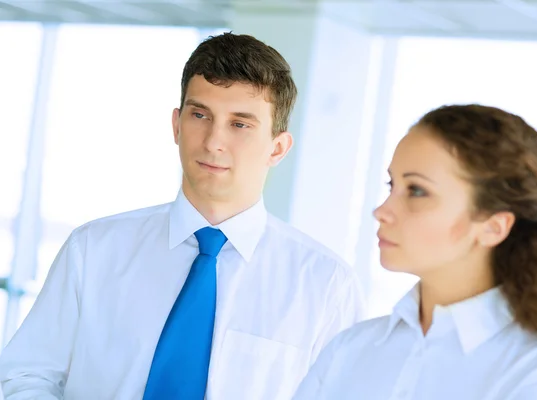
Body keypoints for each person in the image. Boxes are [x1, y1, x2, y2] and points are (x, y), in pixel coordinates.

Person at [0, 32, 365, 400]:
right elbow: (26, 376)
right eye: (200, 115)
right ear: (176, 125)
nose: (212, 141)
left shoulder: (326, 285)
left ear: (278, 148)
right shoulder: (92, 250)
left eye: (240, 124)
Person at [293, 104, 537, 400]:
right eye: (392, 185)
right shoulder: (349, 349)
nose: (382, 211)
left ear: (494, 226)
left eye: (416, 191)